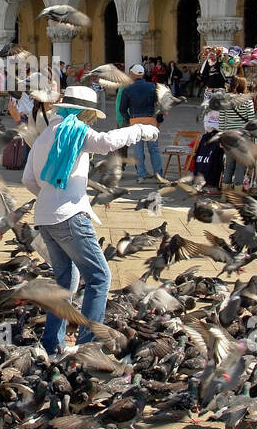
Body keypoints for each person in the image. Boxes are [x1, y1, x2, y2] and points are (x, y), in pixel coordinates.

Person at [22, 86, 159, 357]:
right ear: (84, 112)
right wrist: (142, 130)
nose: (91, 121)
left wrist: (51, 197)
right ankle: (88, 346)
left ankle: (52, 344)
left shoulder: (44, 136)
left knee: (64, 283)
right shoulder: (74, 131)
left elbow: (28, 179)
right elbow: (106, 141)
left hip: (46, 217)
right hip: (70, 217)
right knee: (99, 277)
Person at [118, 64, 164, 181]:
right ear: (143, 74)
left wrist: (129, 120)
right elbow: (160, 104)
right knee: (154, 149)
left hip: (135, 121)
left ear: (132, 74)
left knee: (138, 150)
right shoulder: (152, 86)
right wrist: (159, 119)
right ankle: (159, 176)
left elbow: (122, 109)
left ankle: (141, 175)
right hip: (150, 120)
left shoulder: (128, 88)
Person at [218, 78, 257, 186]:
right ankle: (236, 195)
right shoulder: (247, 101)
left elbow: (222, 121)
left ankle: (225, 195)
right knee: (240, 167)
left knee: (228, 166)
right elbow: (251, 122)